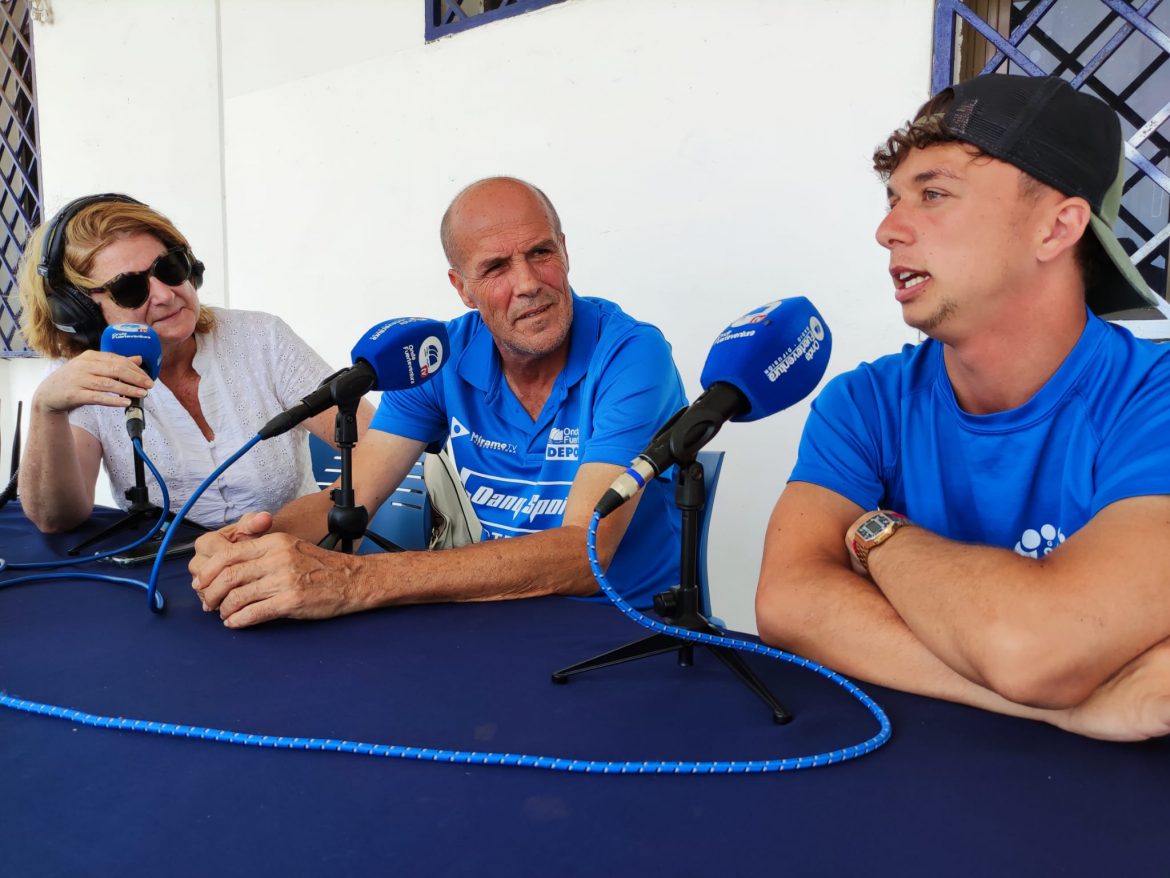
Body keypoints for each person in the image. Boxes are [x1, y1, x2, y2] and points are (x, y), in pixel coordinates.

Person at [755, 74, 1170, 742]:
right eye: (893, 200)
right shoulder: (865, 402)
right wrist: (1073, 705)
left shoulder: (1153, 401)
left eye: (934, 194)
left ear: (1057, 227)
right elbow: (789, 602)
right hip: (908, 781)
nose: (887, 230)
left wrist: (877, 536)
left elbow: (1037, 649)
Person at [190, 176, 686, 627]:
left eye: (541, 252)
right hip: (500, 618)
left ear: (565, 252)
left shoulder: (632, 355)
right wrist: (248, 545)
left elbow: (585, 553)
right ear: (462, 288)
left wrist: (356, 581)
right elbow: (349, 501)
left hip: (626, 629)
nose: (528, 283)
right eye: (495, 267)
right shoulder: (438, 357)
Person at [18, 193, 371, 532]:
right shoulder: (79, 376)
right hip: (164, 566)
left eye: (169, 268)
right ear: (79, 312)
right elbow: (56, 519)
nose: (165, 295)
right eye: (130, 288)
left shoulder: (262, 338)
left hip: (293, 552)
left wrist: (302, 527)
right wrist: (45, 410)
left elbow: (378, 442)